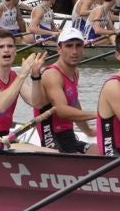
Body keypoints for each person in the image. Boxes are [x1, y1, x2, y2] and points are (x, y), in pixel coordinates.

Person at [38, 21, 97, 153]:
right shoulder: (52, 74)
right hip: (50, 138)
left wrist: (88, 130)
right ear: (59, 49)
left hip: (68, 135)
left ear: (84, 48)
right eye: (69, 46)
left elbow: (74, 103)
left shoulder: (75, 72)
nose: (74, 51)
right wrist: (98, 114)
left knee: (102, 152)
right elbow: (62, 110)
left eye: (78, 46)